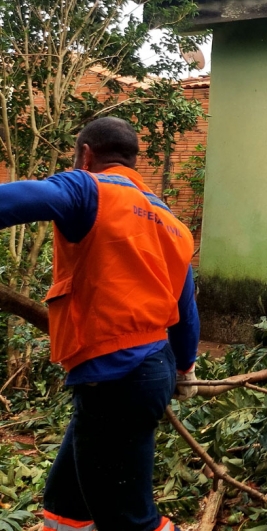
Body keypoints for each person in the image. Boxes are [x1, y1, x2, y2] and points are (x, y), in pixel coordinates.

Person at [0, 117, 200, 531]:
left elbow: (14, 199)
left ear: (86, 155)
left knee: (130, 521)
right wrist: (186, 369)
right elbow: (185, 310)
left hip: (117, 379)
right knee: (66, 504)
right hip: (149, 370)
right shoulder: (171, 224)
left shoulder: (87, 188)